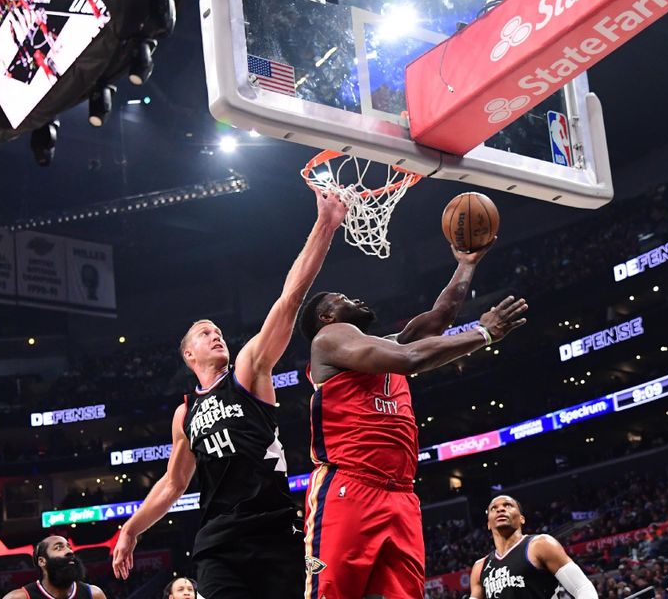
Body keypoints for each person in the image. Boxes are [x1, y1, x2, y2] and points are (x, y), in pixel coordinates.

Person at [112, 189, 347, 599]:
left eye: (218, 330)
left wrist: (325, 225)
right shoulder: (185, 414)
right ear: (189, 354)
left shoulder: (248, 371)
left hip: (274, 527)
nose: (216, 334)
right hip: (220, 540)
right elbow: (172, 483)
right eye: (205, 333)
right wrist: (130, 530)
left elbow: (289, 300)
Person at [298, 241, 527, 599]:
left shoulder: (385, 346)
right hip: (351, 487)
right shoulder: (329, 338)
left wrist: (466, 264)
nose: (353, 299)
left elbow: (440, 316)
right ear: (327, 317)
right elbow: (410, 359)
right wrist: (484, 333)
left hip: (400, 494)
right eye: (340, 298)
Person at [470, 495, 598, 599]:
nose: (500, 509)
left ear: (522, 519)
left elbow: (583, 588)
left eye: (508, 505)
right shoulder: (480, 567)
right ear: (488, 523)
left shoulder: (541, 545)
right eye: (494, 508)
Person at [1, 535, 106, 599]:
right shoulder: (19, 597)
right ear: (42, 561)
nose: (69, 551)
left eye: (69, 547)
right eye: (59, 548)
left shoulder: (94, 595)